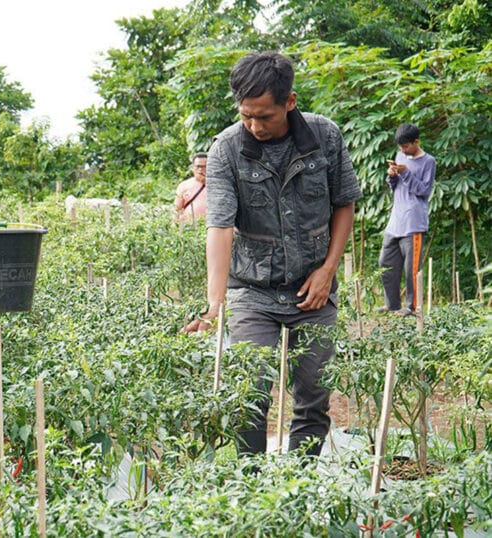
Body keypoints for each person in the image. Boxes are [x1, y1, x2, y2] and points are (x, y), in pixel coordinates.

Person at [184, 51, 362, 458]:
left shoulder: (326, 136)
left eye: (263, 116)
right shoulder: (227, 148)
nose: (253, 125)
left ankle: (296, 495)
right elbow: (220, 226)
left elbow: (344, 205)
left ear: (290, 102)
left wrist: (328, 270)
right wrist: (215, 306)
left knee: (314, 397)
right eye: (246, 115)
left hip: (313, 290)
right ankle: (252, 498)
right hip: (251, 290)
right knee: (250, 397)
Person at [378, 123, 435, 316]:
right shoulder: (400, 156)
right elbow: (396, 187)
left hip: (414, 223)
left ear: (416, 142)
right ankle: (392, 304)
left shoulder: (428, 161)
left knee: (412, 270)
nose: (403, 150)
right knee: (385, 264)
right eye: (400, 146)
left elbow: (424, 191)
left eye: (406, 146)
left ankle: (412, 307)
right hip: (395, 221)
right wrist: (392, 176)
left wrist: (406, 173)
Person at [174, 152, 208, 223]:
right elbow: (177, 210)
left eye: (204, 167)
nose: (200, 169)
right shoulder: (184, 186)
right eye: (198, 166)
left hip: (210, 227)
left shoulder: (217, 185)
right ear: (192, 167)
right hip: (189, 227)